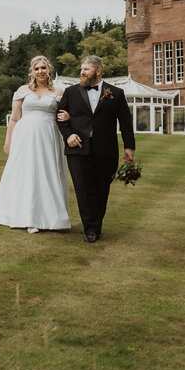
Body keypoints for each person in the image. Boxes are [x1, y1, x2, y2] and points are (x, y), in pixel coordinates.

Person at [0, 55, 71, 233]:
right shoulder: (23, 90)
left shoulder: (60, 92)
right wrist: (8, 142)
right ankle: (28, 216)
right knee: (28, 174)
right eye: (37, 69)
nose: (40, 71)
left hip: (49, 136)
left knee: (48, 173)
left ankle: (53, 218)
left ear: (49, 69)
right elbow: (14, 119)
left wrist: (68, 116)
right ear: (32, 72)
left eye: (43, 68)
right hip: (26, 137)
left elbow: (67, 114)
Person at [56, 55, 135, 243]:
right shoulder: (70, 92)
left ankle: (96, 225)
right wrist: (68, 135)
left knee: (101, 189)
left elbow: (125, 123)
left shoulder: (116, 93)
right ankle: (90, 229)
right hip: (77, 150)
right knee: (83, 190)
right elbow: (58, 117)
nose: (81, 72)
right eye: (82, 69)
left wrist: (129, 147)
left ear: (98, 72)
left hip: (106, 150)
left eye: (86, 69)